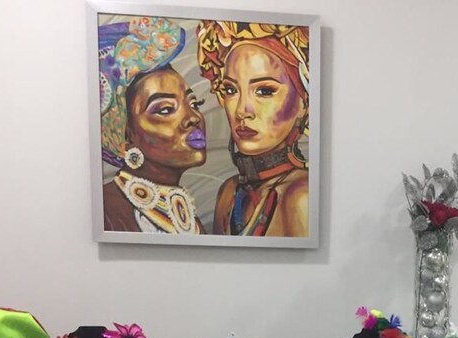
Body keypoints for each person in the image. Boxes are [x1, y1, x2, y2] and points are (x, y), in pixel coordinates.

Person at [197, 22, 310, 237]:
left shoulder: (301, 197)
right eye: (230, 89)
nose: (242, 111)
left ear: (304, 102)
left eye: (264, 91)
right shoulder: (229, 193)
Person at [99, 17, 207, 233]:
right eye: (165, 109)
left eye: (194, 103)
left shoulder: (187, 217)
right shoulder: (107, 210)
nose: (193, 117)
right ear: (125, 136)